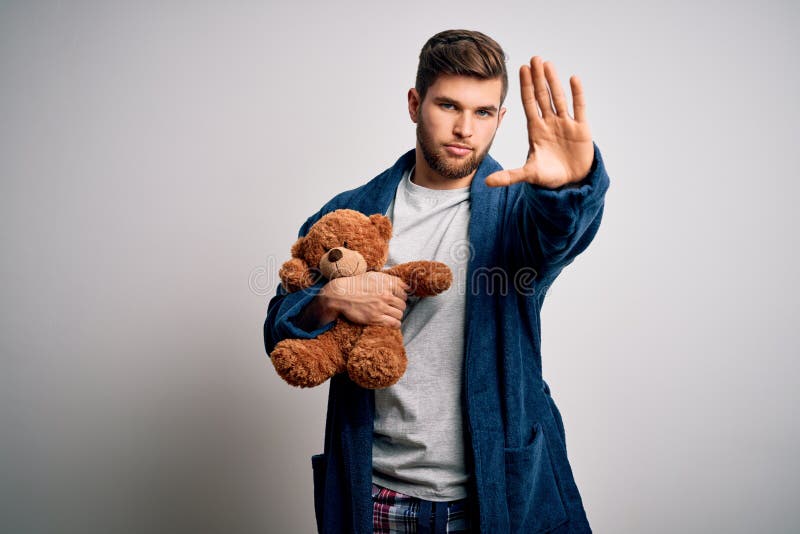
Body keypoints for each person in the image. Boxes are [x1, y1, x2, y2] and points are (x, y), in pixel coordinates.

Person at [264, 29, 610, 533]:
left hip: (494, 496)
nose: (465, 128)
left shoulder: (517, 212)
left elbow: (560, 235)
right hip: (378, 493)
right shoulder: (352, 212)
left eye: (483, 112)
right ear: (414, 103)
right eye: (449, 106)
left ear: (500, 119)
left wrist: (572, 189)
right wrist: (329, 299)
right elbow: (279, 329)